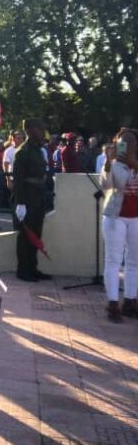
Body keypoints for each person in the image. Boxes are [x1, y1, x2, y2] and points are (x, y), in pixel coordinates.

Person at [100, 129, 138, 322]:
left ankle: (131, 301)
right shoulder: (113, 164)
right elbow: (106, 186)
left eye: (131, 142)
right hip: (116, 216)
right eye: (123, 142)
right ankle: (113, 303)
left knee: (134, 261)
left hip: (136, 218)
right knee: (113, 260)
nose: (127, 146)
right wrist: (108, 164)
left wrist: (135, 166)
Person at [13, 118, 52, 282]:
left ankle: (32, 267)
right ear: (29, 131)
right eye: (39, 129)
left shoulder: (38, 150)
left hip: (38, 197)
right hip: (27, 198)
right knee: (25, 236)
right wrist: (20, 203)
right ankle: (23, 269)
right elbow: (18, 179)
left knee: (36, 234)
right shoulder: (23, 151)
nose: (42, 132)